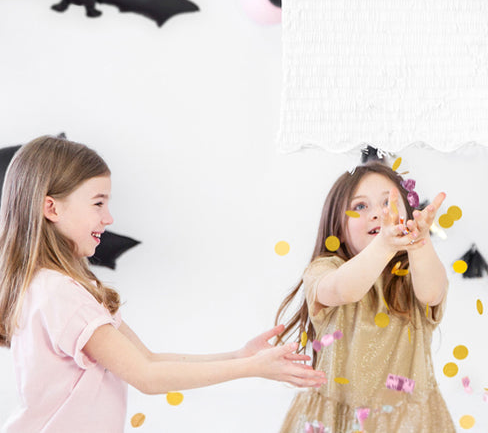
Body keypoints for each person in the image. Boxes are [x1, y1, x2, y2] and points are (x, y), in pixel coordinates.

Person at [0, 136, 326, 433]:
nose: (108, 218)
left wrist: (240, 357)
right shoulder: (61, 293)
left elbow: (149, 359)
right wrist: (250, 368)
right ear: (52, 208)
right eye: (98, 203)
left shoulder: (50, 286)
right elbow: (146, 376)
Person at [275, 161, 456, 433]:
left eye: (388, 203)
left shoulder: (413, 272)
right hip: (336, 421)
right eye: (360, 206)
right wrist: (383, 244)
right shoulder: (324, 270)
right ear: (338, 227)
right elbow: (343, 289)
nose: (378, 214)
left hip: (407, 422)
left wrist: (420, 243)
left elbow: (432, 291)